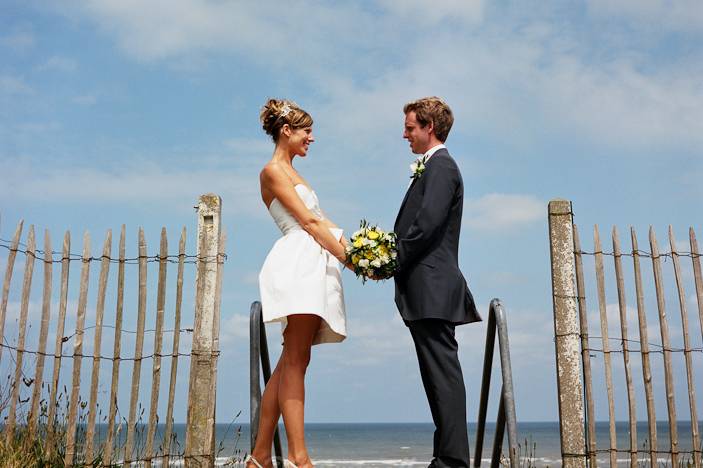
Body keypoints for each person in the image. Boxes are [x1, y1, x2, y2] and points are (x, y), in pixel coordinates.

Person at [248, 99, 349, 468]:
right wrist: (346, 257)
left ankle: (260, 456)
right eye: (306, 130)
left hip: (312, 258)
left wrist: (362, 250)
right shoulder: (272, 171)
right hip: (297, 262)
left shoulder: (295, 172)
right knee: (295, 359)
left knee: (294, 359)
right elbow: (307, 222)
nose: (312, 137)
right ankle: (298, 457)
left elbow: (321, 220)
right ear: (285, 131)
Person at [392, 96, 482, 468]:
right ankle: (445, 456)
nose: (405, 134)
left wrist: (390, 258)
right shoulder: (431, 168)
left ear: (430, 128)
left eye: (410, 127)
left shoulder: (442, 167)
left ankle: (452, 461)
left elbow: (426, 225)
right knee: (436, 377)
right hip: (423, 290)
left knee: (443, 376)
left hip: (432, 288)